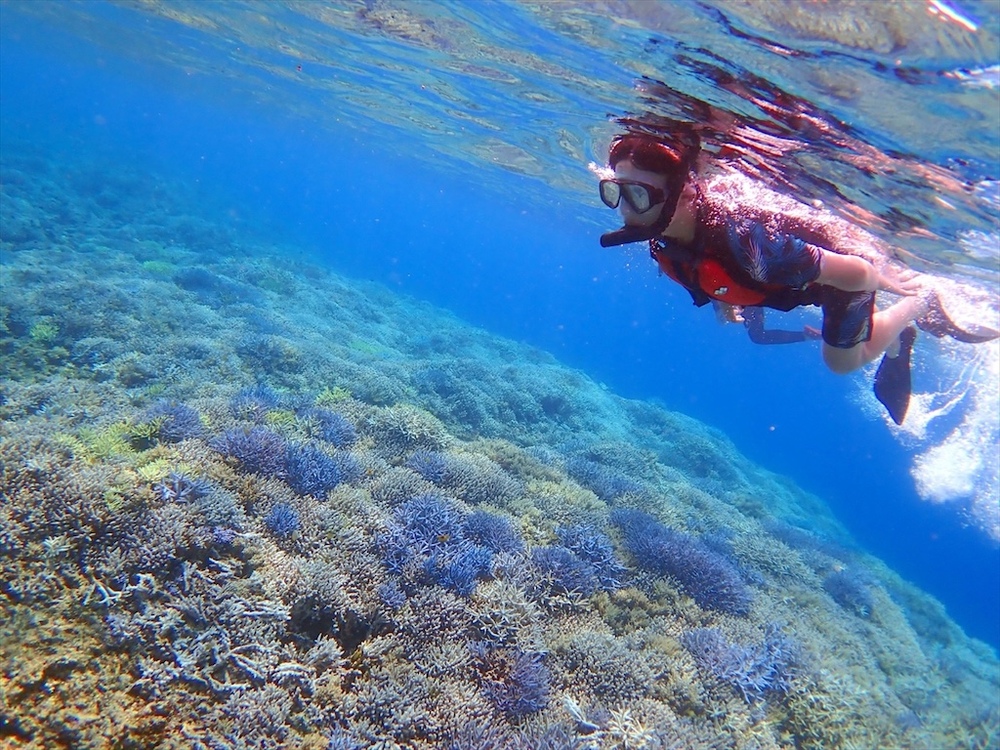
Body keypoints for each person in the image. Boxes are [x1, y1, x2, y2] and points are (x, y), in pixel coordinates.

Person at [598, 132, 998, 425]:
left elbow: (857, 273)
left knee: (841, 362)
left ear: (685, 192)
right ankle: (892, 336)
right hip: (796, 280)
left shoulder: (750, 245)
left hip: (843, 276)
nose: (624, 211)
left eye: (637, 195)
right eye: (615, 192)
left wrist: (887, 280)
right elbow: (702, 262)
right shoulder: (663, 236)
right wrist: (723, 300)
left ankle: (920, 302)